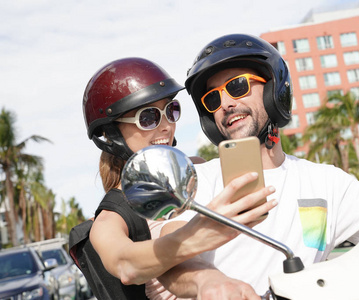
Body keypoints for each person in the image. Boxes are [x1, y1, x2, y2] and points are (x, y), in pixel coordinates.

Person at [158, 34, 359, 298]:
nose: (226, 105)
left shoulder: (326, 182)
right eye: (213, 100)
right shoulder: (201, 180)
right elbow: (170, 254)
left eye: (238, 86)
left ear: (272, 91)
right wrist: (206, 281)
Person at [79, 57, 277, 299]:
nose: (166, 126)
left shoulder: (196, 168)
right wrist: (193, 237)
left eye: (170, 111)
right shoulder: (112, 215)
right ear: (111, 133)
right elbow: (124, 264)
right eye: (148, 117)